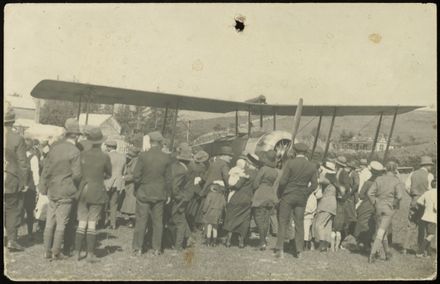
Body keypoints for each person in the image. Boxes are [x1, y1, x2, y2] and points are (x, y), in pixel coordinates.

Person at [39, 118, 82, 260]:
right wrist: (72, 185)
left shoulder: (54, 148)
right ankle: (56, 252)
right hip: (66, 190)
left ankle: (46, 251)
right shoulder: (75, 151)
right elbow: (77, 175)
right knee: (61, 223)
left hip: (52, 189)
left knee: (50, 221)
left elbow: (45, 170)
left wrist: (44, 186)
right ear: (76, 136)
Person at [74, 127, 112, 263]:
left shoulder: (82, 155)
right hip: (96, 191)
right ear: (101, 142)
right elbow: (109, 174)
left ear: (90, 141)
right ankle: (90, 255)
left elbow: (77, 173)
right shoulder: (105, 157)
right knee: (92, 224)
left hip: (83, 190)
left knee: (81, 222)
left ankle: (77, 253)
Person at [275, 143, 319, 259]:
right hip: (301, 197)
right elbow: (315, 185)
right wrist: (306, 193)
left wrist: (281, 193)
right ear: (306, 153)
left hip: (288, 195)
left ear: (295, 152)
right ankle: (299, 251)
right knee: (299, 223)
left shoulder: (290, 163)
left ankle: (280, 249)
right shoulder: (311, 166)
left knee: (283, 221)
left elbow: (283, 182)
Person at [132, 131, 172, 256]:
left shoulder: (143, 156)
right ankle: (156, 248)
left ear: (149, 141)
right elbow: (169, 179)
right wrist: (168, 193)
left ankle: (138, 248)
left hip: (144, 192)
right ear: (160, 142)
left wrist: (138, 187)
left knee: (141, 220)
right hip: (159, 193)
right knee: (158, 221)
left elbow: (136, 176)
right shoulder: (166, 157)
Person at [367, 161, 404, 263]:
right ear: (395, 170)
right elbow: (400, 196)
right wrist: (394, 203)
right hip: (389, 208)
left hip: (378, 207)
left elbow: (369, 193)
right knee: (381, 232)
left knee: (383, 231)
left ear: (385, 169)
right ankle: (372, 254)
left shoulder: (379, 178)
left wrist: (375, 202)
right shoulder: (396, 181)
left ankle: (387, 253)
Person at [4, 108, 29, 251]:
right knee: (11, 209)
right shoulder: (17, 138)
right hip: (10, 179)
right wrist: (24, 182)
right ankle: (12, 240)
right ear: (12, 121)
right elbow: (22, 163)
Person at [224, 153, 260, 248]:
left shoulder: (245, 172)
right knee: (245, 219)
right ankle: (241, 242)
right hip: (248, 199)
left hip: (238, 197)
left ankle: (228, 240)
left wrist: (231, 186)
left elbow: (238, 185)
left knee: (231, 217)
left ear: (249, 163)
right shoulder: (257, 173)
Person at [402, 156, 435, 255]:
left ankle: (405, 248)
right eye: (430, 165)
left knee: (411, 225)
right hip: (425, 202)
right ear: (427, 165)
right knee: (424, 227)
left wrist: (413, 196)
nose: (431, 167)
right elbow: (429, 189)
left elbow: (407, 187)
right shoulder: (430, 176)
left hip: (414, 200)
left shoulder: (412, 174)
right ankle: (422, 249)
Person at [197, 146, 233, 233]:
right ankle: (215, 231)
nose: (231, 158)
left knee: (207, 210)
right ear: (224, 155)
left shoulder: (214, 163)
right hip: (218, 191)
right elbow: (226, 178)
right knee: (217, 211)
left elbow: (205, 177)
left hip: (208, 189)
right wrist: (230, 186)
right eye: (229, 156)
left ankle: (205, 230)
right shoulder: (224, 165)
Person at [251, 150, 280, 251]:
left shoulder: (263, 169)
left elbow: (256, 183)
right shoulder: (275, 171)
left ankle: (262, 242)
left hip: (261, 195)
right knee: (266, 219)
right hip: (270, 195)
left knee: (258, 218)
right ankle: (263, 241)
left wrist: (255, 190)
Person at [353, 161, 384, 252]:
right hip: (377, 205)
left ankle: (361, 242)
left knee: (361, 222)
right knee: (373, 224)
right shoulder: (381, 183)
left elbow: (361, 195)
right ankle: (370, 243)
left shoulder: (368, 183)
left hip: (366, 204)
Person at [170, 146, 194, 251]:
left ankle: (187, 238)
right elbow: (175, 187)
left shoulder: (176, 166)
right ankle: (178, 246)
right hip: (179, 200)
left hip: (176, 199)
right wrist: (181, 198)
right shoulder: (182, 170)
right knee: (179, 222)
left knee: (177, 220)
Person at [314, 161, 337, 252]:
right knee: (327, 224)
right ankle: (326, 244)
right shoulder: (334, 179)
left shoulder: (326, 178)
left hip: (326, 203)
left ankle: (322, 243)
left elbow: (317, 180)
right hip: (333, 203)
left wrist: (319, 171)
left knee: (319, 224)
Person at [104, 140, 126, 230]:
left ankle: (104, 221)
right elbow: (124, 171)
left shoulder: (106, 156)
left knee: (104, 203)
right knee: (114, 204)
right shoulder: (122, 157)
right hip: (118, 183)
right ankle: (113, 224)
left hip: (107, 182)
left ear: (109, 147)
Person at [186, 150, 210, 232]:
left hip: (189, 188)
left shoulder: (190, 164)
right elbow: (204, 177)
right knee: (194, 208)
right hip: (197, 189)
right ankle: (191, 225)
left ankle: (189, 225)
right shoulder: (202, 166)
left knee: (189, 207)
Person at [22, 137, 40, 241]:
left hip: (19, 187)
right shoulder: (33, 158)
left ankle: (13, 235)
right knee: (29, 211)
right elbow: (36, 174)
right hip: (30, 187)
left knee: (17, 211)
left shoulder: (17, 157)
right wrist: (37, 187)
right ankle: (29, 233)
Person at [120, 146, 140, 228]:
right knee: (129, 203)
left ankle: (130, 221)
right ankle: (129, 220)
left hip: (133, 185)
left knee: (131, 204)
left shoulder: (136, 162)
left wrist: (124, 177)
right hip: (129, 185)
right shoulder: (133, 160)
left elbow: (134, 175)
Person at [416, 178, 437, 257]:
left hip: (425, 216)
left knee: (428, 234)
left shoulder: (427, 192)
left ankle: (428, 253)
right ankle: (420, 251)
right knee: (431, 235)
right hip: (433, 217)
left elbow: (419, 201)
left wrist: (425, 206)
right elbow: (436, 207)